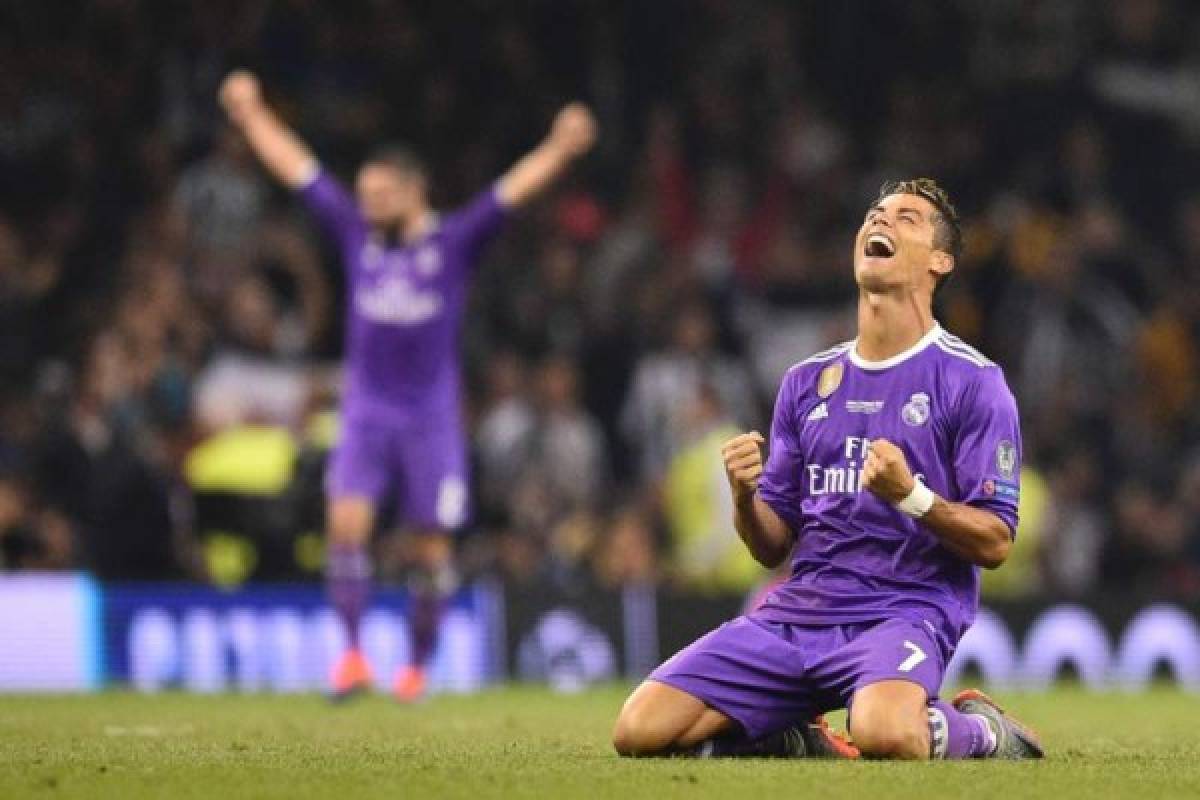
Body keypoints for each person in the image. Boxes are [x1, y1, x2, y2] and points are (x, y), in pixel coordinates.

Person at [612, 178, 1043, 760]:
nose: (880, 223)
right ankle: (789, 736)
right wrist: (744, 497)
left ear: (940, 262)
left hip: (904, 610)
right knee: (639, 731)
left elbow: (995, 541)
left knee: (886, 735)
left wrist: (912, 497)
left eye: (907, 218)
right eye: (874, 214)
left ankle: (984, 731)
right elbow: (771, 548)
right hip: (800, 610)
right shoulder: (806, 382)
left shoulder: (973, 382)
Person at [218, 70, 597, 701]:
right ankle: (352, 660)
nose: (366, 203)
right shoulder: (353, 233)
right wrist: (252, 110)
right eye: (362, 194)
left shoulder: (453, 241)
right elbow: (296, 166)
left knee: (430, 552)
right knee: (344, 527)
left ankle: (417, 669)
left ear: (412, 191)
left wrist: (560, 146)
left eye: (379, 194)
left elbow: (512, 192)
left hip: (430, 418)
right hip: (366, 411)